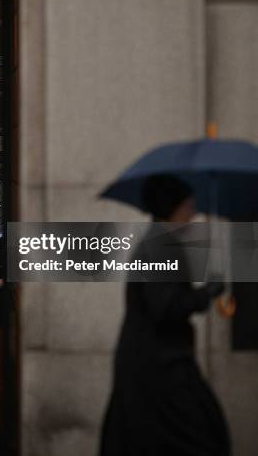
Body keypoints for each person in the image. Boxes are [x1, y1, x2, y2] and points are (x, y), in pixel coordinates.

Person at [99, 174, 231, 456]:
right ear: (172, 208)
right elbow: (166, 307)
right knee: (197, 436)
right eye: (188, 206)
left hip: (157, 362)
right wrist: (207, 292)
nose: (193, 214)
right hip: (159, 368)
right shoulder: (160, 247)